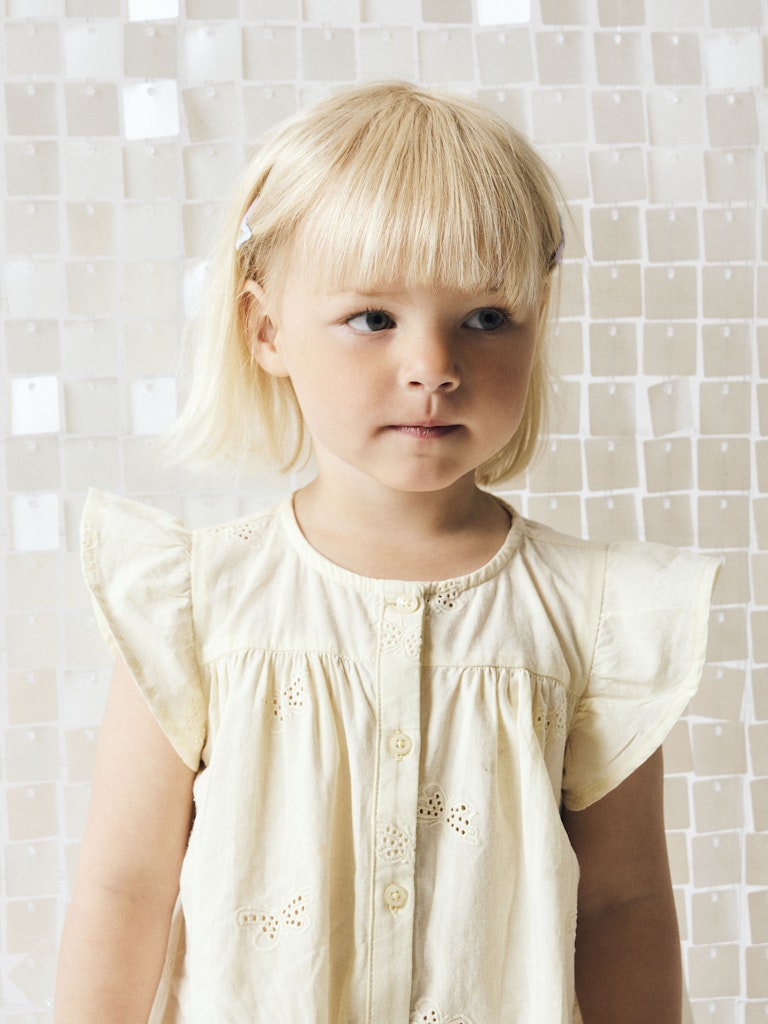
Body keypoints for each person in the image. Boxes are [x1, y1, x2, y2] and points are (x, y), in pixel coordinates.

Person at [54, 81, 720, 1023]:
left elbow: (624, 904)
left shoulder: (598, 616)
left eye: (487, 318)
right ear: (267, 331)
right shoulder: (197, 603)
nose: (434, 365)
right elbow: (125, 888)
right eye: (375, 318)